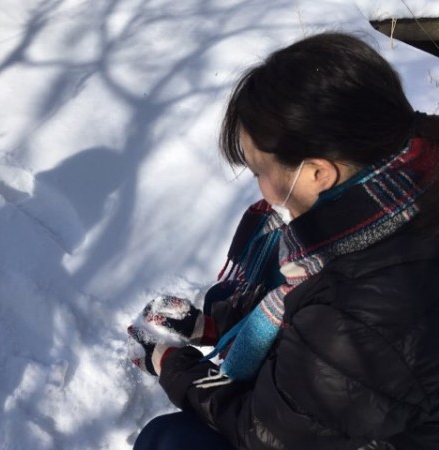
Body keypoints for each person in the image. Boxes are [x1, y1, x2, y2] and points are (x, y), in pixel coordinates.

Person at [127, 31, 439, 449]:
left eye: (260, 171)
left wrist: (171, 364)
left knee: (170, 440)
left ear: (317, 173)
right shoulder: (402, 188)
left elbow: (265, 432)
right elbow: (305, 299)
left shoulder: (363, 315)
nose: (260, 189)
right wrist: (213, 327)